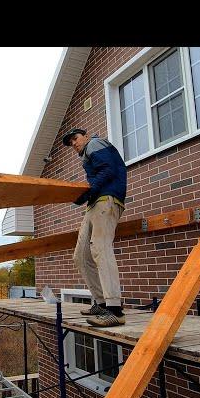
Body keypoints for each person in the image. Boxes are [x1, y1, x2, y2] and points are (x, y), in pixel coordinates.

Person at [63, 128, 127, 327]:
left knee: (101, 248)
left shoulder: (95, 144)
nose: (74, 143)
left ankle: (114, 309)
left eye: (75, 138)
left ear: (85, 136)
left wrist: (87, 191)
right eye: (70, 142)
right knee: (81, 255)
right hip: (95, 203)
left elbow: (108, 170)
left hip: (107, 199)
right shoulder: (87, 155)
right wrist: (86, 195)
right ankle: (100, 303)